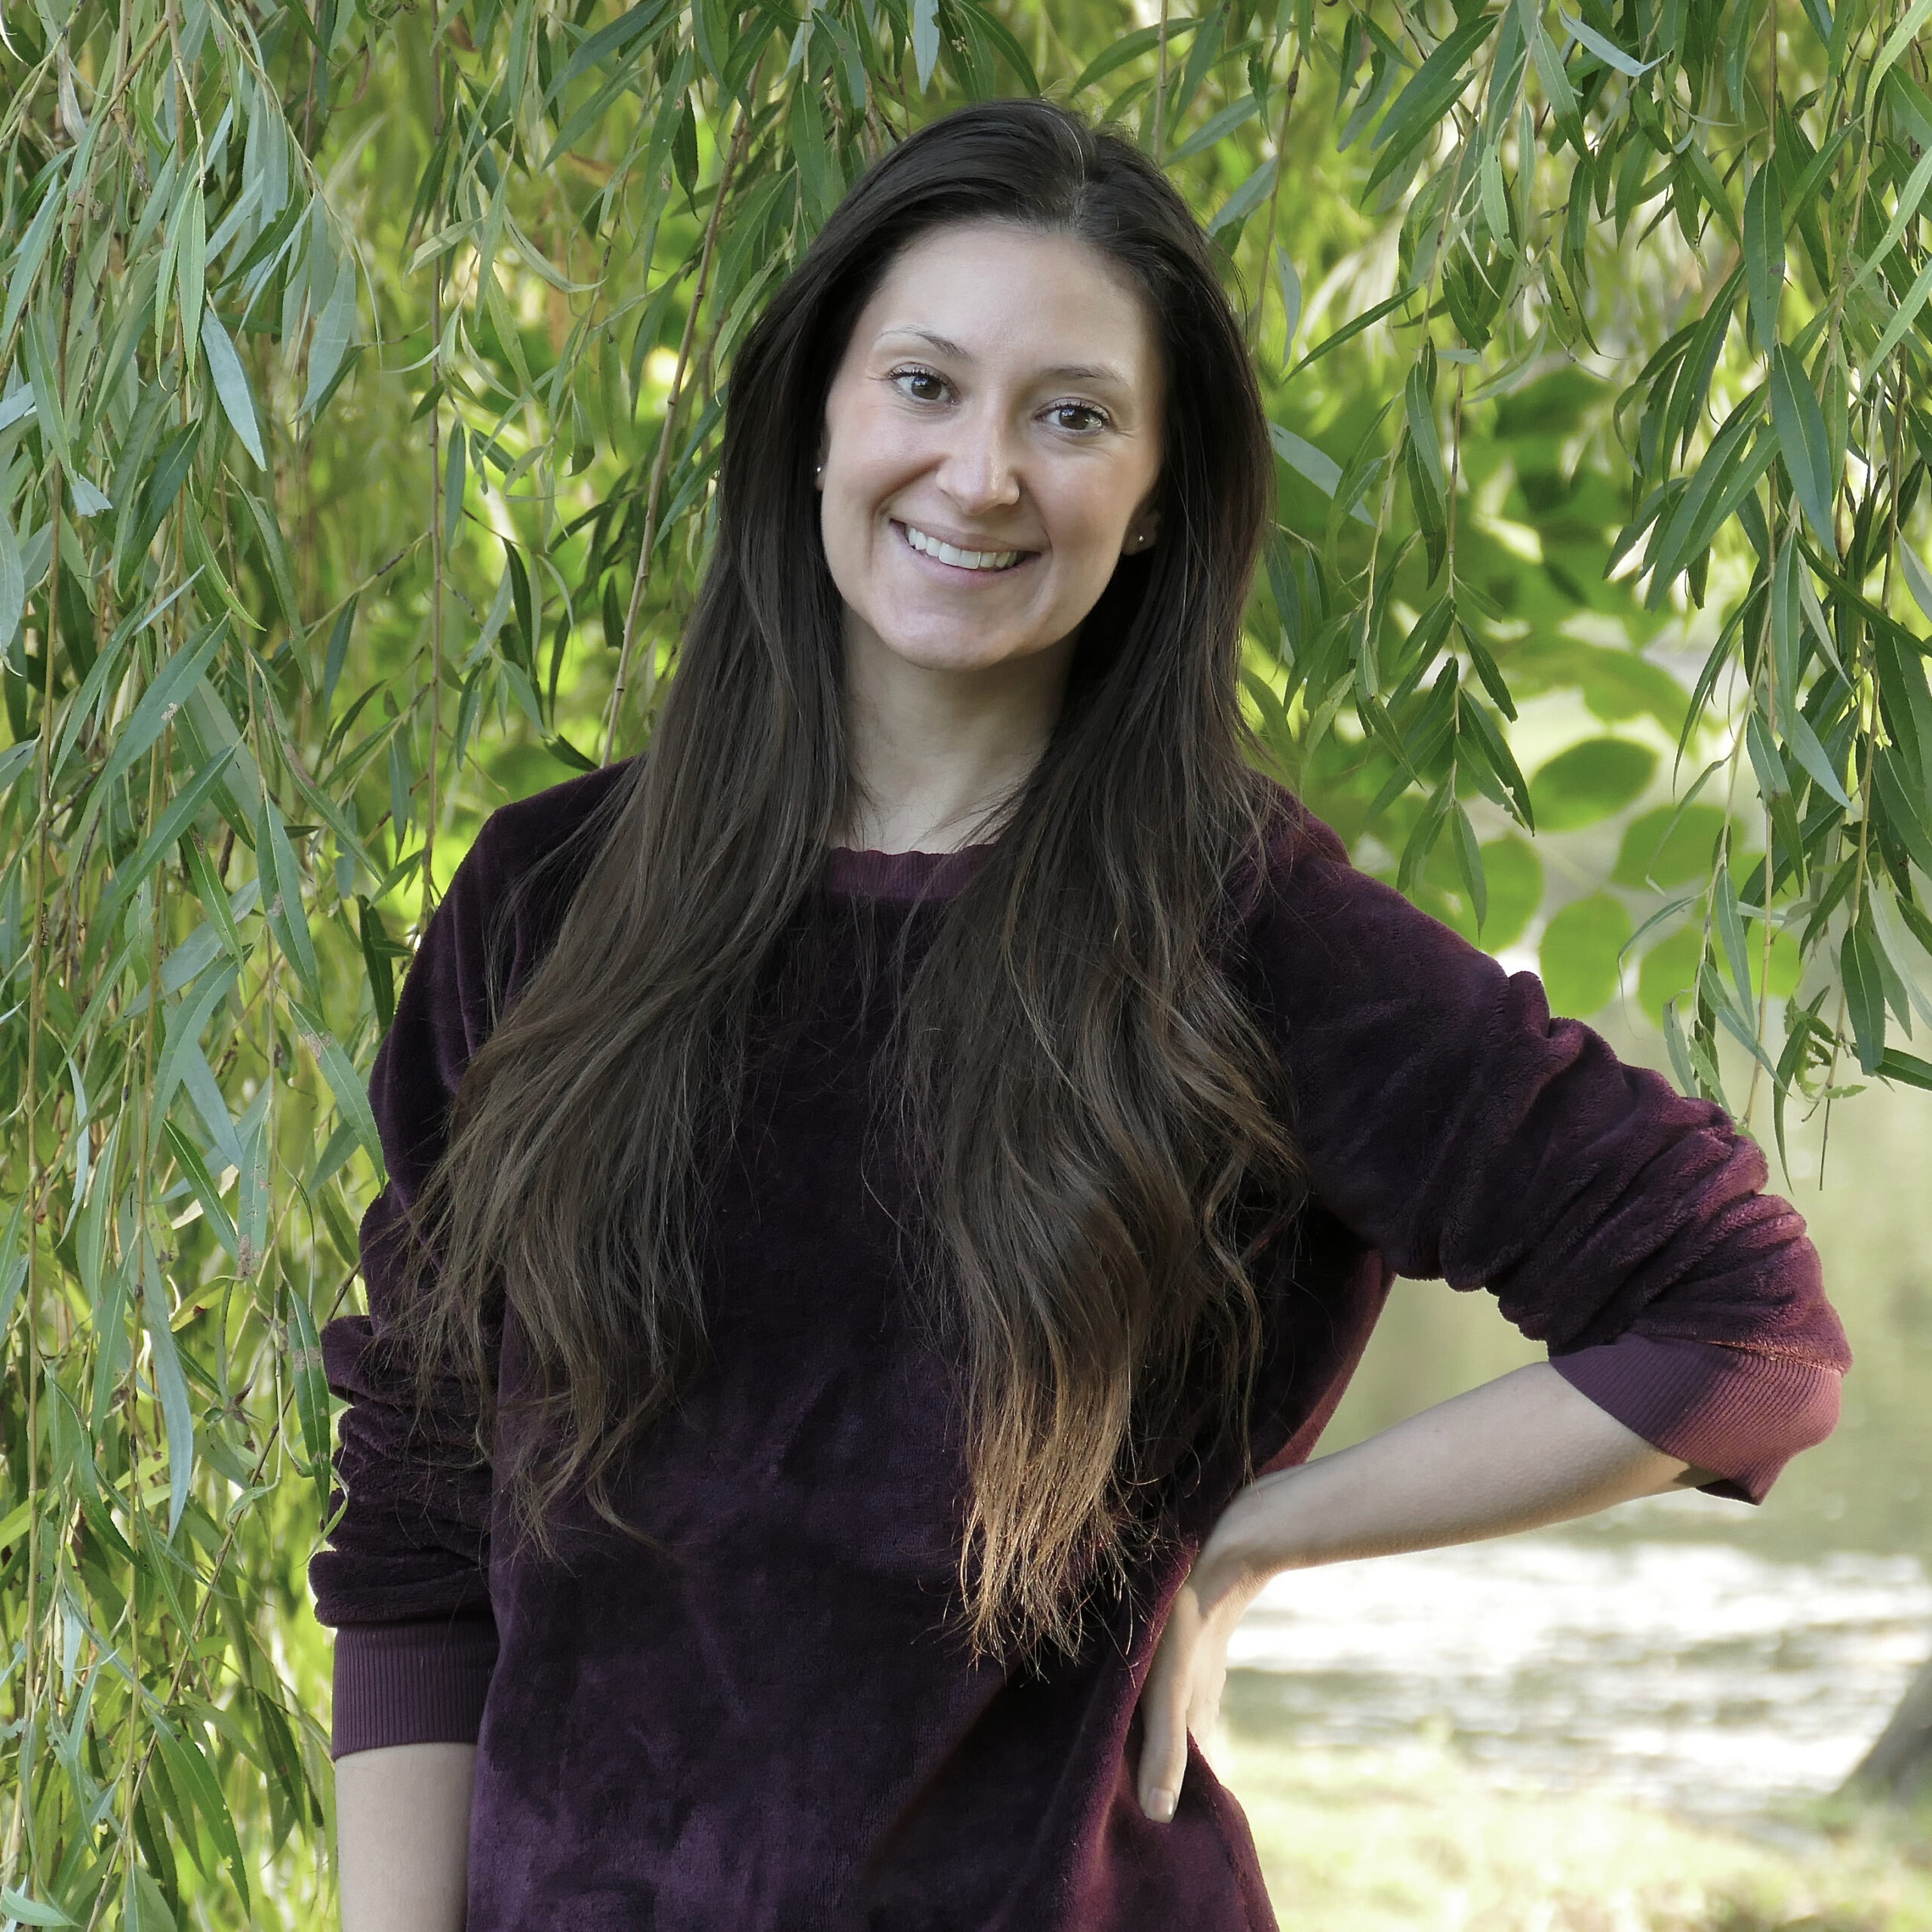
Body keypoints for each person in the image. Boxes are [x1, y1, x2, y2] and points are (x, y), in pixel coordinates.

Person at [315, 99, 1850, 1932]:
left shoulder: (1244, 933)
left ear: (1147, 504)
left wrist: (1250, 1540)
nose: (980, 475)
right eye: (924, 385)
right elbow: (419, 1519)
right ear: (813, 419)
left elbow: (1740, 1318)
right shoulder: (545, 899)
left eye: (1071, 415)